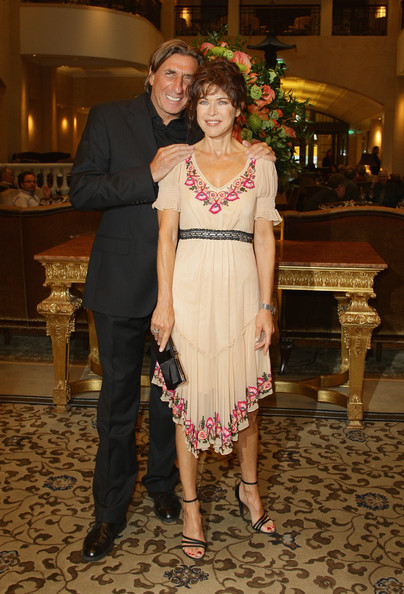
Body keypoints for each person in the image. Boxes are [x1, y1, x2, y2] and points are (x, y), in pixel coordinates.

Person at [69, 39, 275, 564]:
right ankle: (109, 513)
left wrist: (260, 150)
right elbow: (82, 191)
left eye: (189, 79)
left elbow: (228, 159)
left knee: (173, 401)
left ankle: (165, 488)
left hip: (187, 295)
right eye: (171, 74)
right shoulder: (109, 117)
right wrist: (148, 172)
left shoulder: (197, 125)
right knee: (118, 403)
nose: (180, 87)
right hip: (122, 286)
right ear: (151, 74)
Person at [150, 58, 281, 560]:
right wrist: (164, 304)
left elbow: (264, 239)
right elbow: (166, 237)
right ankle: (191, 508)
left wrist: (266, 306)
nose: (211, 110)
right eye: (203, 100)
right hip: (188, 297)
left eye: (222, 100)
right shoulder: (178, 164)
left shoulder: (260, 164)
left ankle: (249, 490)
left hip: (242, 297)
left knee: (246, 407)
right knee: (187, 407)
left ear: (238, 107)